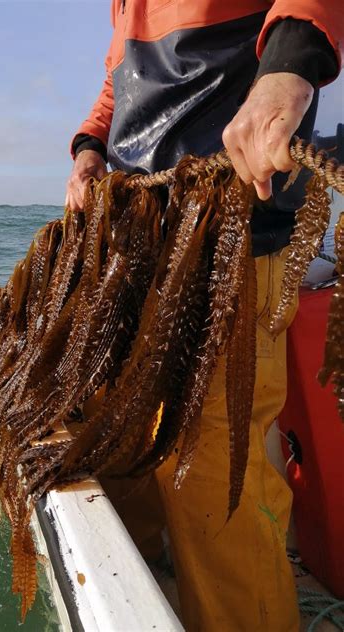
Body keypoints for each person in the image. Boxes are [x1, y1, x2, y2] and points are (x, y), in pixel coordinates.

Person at [65, 3, 342, 630]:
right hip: (136, 239)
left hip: (235, 236)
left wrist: (289, 64)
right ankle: (147, 580)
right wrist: (88, 148)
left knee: (211, 466)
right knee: (125, 424)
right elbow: (119, 82)